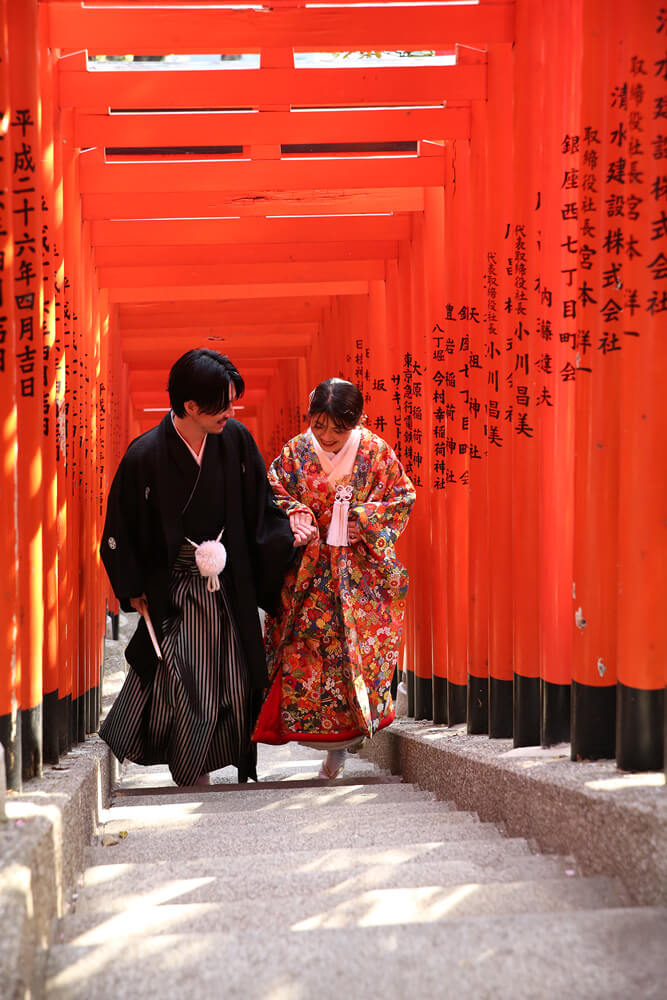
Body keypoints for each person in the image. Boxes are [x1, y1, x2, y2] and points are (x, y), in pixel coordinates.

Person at [99, 349, 298, 785]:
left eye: (232, 402)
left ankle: (207, 763)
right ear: (190, 405)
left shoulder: (237, 441)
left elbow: (261, 508)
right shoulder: (145, 454)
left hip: (229, 587)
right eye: (221, 405)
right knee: (190, 683)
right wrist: (132, 585)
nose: (231, 412)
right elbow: (122, 526)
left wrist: (287, 537)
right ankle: (193, 771)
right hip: (176, 589)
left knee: (234, 682)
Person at [253, 377, 415, 779]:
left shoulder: (376, 453)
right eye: (319, 425)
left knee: (352, 655)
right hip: (307, 574)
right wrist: (295, 513)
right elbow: (270, 491)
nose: (326, 436)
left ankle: (341, 749)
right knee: (308, 651)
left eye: (338, 428)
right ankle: (320, 740)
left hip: (359, 572)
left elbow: (402, 497)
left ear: (358, 420)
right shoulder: (295, 453)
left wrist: (365, 520)